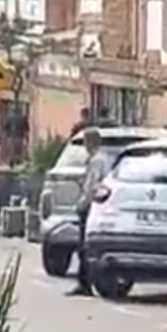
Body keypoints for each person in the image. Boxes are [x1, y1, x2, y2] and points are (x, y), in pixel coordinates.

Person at [70, 127, 108, 296]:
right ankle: (84, 281)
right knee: (84, 245)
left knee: (84, 246)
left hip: (91, 205)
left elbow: (93, 184)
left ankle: (85, 283)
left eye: (86, 142)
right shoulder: (99, 158)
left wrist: (83, 203)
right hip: (96, 203)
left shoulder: (97, 160)